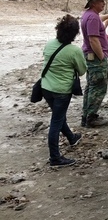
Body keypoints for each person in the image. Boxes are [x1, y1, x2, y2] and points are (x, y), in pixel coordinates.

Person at [41, 14, 87, 166]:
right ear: (75, 34)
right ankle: (55, 158)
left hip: (46, 87)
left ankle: (72, 138)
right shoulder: (74, 51)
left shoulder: (49, 44)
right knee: (56, 121)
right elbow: (81, 71)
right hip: (62, 90)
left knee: (58, 117)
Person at [81, 0, 108, 128]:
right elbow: (94, 39)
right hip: (95, 57)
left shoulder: (89, 15)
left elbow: (98, 20)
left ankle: (86, 115)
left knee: (91, 85)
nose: (103, 3)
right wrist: (101, 57)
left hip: (90, 56)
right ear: (94, 3)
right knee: (98, 86)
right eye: (101, 1)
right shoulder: (93, 17)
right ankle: (91, 117)